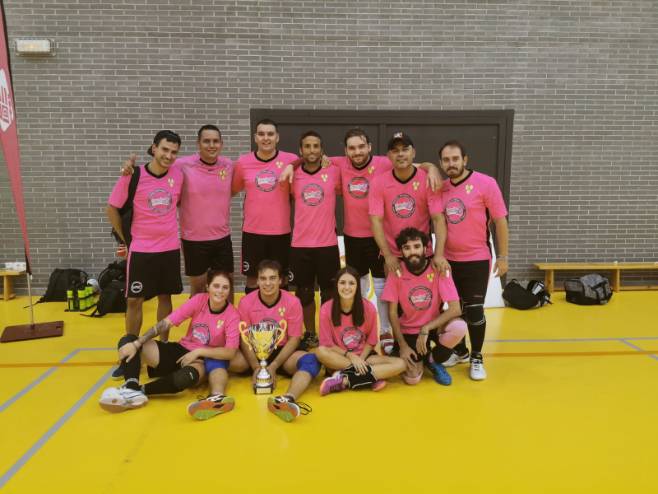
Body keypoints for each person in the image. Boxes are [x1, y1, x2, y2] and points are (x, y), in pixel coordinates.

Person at [99, 270, 241, 418]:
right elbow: (167, 322)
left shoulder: (232, 315)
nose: (220, 291)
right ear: (208, 287)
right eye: (216, 286)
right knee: (128, 341)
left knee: (185, 378)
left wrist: (199, 352)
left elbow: (230, 352)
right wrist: (137, 343)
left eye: (225, 287)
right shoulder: (199, 300)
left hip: (201, 359)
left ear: (230, 290)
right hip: (182, 348)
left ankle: (139, 391)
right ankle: (131, 387)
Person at [120, 125, 235, 296]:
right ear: (198, 143)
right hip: (193, 239)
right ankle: (197, 316)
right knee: (198, 288)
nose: (211, 145)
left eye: (215, 141)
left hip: (222, 237)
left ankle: (227, 315)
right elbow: (156, 167)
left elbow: (236, 188)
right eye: (206, 141)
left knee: (227, 285)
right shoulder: (181, 165)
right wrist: (129, 168)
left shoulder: (229, 165)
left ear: (221, 144)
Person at [437, 140, 509, 381]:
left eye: (455, 159)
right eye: (446, 160)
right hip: (449, 261)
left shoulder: (486, 183)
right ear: (441, 163)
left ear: (465, 160)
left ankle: (477, 357)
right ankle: (460, 351)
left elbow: (500, 221)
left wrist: (503, 256)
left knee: (474, 310)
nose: (451, 164)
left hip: (477, 258)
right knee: (454, 310)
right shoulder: (441, 188)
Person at [106, 130, 184, 348]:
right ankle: (130, 347)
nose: (168, 155)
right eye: (164, 149)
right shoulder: (133, 175)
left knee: (165, 297)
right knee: (134, 300)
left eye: (174, 152)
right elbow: (111, 209)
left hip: (169, 248)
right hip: (141, 250)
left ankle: (163, 346)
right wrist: (126, 240)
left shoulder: (178, 175)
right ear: (154, 148)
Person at [381, 228, 467, 386]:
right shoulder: (396, 272)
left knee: (459, 327)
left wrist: (426, 328)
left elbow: (455, 309)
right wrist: (403, 346)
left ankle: (433, 360)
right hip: (409, 330)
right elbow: (392, 313)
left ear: (425, 248)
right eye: (407, 248)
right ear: (401, 251)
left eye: (416, 246)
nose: (412, 252)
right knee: (412, 379)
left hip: (434, 326)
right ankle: (418, 358)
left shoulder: (439, 269)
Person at [238, 260, 320, 422]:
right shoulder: (246, 302)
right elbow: (244, 338)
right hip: (254, 352)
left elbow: (294, 338)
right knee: (225, 358)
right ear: (257, 281)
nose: (267, 283)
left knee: (311, 361)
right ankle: (216, 397)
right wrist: (255, 366)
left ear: (281, 280)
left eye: (272, 278)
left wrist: (274, 366)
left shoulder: (292, 302)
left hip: (282, 352)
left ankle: (288, 399)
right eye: (263, 278)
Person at [369, 131, 449, 280]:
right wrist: (388, 255)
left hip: (422, 253)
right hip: (393, 255)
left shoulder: (428, 180)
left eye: (405, 149)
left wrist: (438, 254)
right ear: (389, 156)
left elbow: (438, 219)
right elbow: (376, 221)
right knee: (393, 295)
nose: (400, 154)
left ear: (414, 153)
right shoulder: (378, 183)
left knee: (423, 294)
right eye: (395, 151)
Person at [231, 119, 299, 294]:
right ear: (255, 137)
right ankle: (253, 312)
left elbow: (308, 160)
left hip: (280, 232)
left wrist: (323, 159)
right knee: (253, 279)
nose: (266, 138)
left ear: (277, 137)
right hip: (253, 232)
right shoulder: (243, 162)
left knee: (281, 280)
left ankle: (280, 312)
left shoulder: (290, 160)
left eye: (270, 134)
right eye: (261, 134)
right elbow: (232, 190)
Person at [316, 266, 406, 395]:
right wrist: (351, 356)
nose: (347, 287)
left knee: (401, 364)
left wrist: (361, 360)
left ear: (357, 286)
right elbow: (327, 344)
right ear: (336, 285)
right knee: (320, 352)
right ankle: (371, 378)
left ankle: (344, 380)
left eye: (351, 283)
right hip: (341, 358)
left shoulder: (369, 308)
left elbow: (371, 341)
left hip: (365, 356)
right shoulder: (326, 309)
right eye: (342, 283)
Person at [289, 131, 341, 349]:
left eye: (316, 146)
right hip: (300, 245)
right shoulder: (292, 174)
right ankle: (310, 333)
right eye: (307, 146)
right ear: (301, 150)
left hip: (327, 244)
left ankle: (328, 335)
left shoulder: (334, 171)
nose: (312, 150)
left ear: (322, 149)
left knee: (329, 294)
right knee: (304, 294)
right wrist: (292, 164)